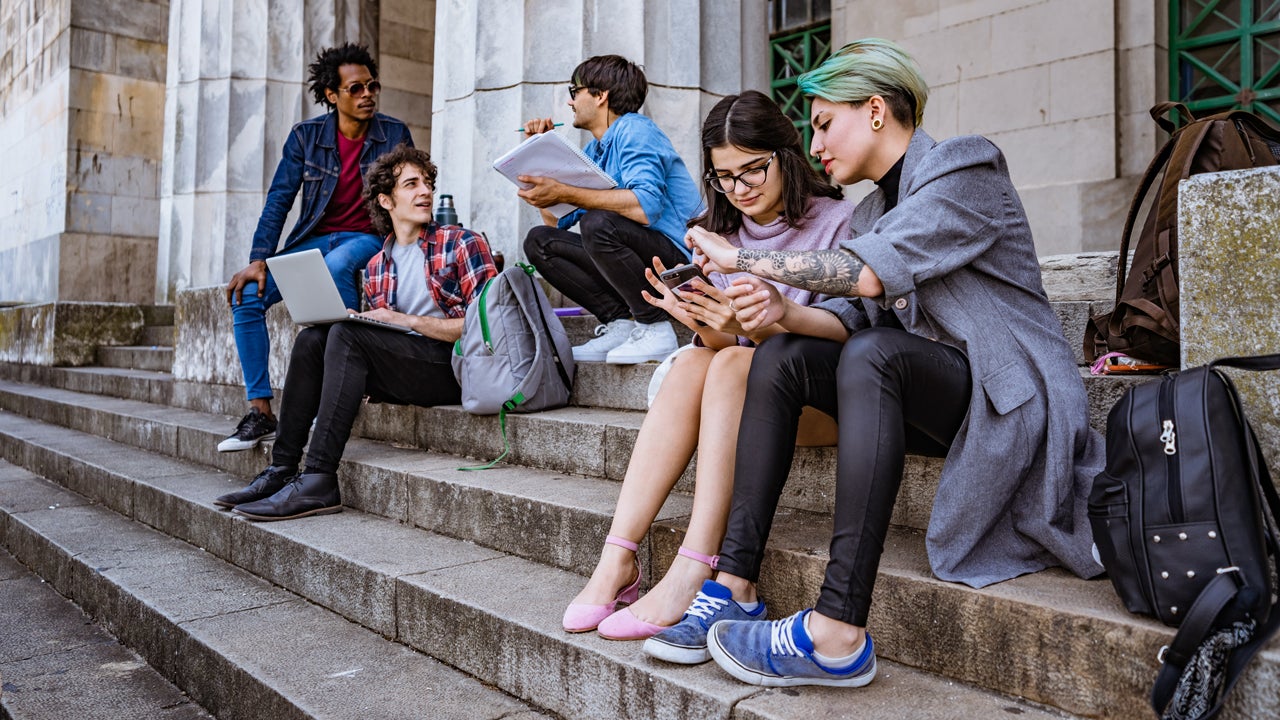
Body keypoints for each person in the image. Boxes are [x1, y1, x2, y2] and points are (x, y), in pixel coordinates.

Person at [668, 38, 1105, 688]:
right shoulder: (872, 209)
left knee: (875, 357)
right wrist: (778, 314)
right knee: (786, 354)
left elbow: (869, 277)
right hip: (934, 393)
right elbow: (845, 320)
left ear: (875, 109)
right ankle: (734, 581)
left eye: (823, 123)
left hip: (1011, 395)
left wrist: (744, 260)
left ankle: (838, 630)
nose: (814, 148)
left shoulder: (964, 167)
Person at [562, 91, 848, 647]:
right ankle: (616, 558)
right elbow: (725, 344)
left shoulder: (838, 222)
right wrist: (698, 313)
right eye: (725, 177)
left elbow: (839, 338)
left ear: (786, 155)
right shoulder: (720, 233)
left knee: (734, 360)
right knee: (698, 358)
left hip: (822, 401)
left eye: (753, 170)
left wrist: (747, 329)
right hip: (744, 395)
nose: (741, 189)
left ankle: (695, 565)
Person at [214, 145, 496, 520]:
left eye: (427, 183)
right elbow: (380, 340)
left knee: (347, 336)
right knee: (315, 338)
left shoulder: (462, 242)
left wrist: (405, 321)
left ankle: (318, 479)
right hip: (405, 368)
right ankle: (282, 469)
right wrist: (363, 321)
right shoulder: (379, 263)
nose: (425, 191)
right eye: (411, 184)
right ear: (386, 200)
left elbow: (489, 326)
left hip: (453, 366)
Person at [219, 42, 414, 453]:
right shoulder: (306, 138)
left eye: (372, 86)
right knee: (247, 295)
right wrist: (259, 261)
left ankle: (341, 382)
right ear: (331, 95)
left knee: (340, 262)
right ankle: (260, 411)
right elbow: (279, 201)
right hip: (313, 239)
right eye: (356, 88)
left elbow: (410, 194)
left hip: (368, 238)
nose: (367, 95)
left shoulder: (393, 135)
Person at [518, 55, 703, 365]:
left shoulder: (635, 129)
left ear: (600, 95)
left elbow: (647, 207)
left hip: (681, 265)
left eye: (574, 90)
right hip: (645, 260)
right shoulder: (595, 150)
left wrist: (567, 191)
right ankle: (620, 323)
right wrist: (539, 153)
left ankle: (655, 327)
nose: (569, 101)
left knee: (598, 222)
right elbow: (556, 220)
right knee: (540, 241)